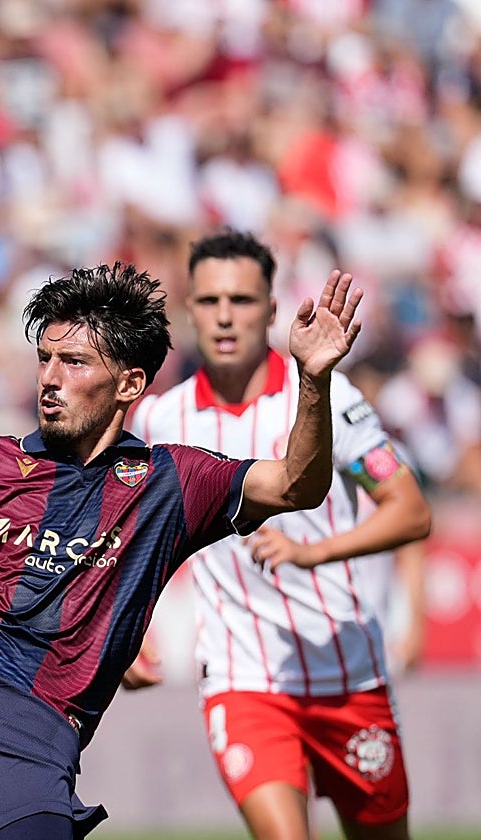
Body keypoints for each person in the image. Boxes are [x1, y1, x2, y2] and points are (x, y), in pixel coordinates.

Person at [0, 260, 365, 840]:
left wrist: (313, 379)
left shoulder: (171, 483)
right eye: (45, 359)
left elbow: (295, 486)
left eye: (74, 361)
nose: (49, 378)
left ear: (129, 384)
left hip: (31, 728)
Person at [125, 230, 431, 840]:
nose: (224, 316)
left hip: (346, 669)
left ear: (270, 308)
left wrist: (313, 551)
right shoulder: (160, 419)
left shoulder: (327, 395)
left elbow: (410, 511)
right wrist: (125, 633)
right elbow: (126, 536)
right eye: (209, 301)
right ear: (189, 312)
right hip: (244, 679)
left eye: (241, 300)